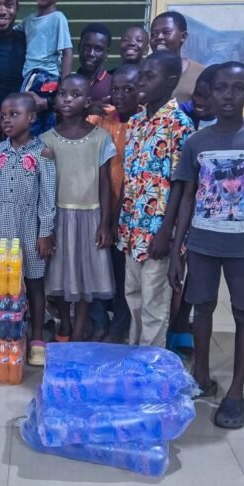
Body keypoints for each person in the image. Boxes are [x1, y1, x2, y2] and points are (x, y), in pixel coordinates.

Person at [169, 61, 244, 429]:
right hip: (203, 244)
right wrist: (176, 251)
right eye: (220, 88)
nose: (228, 96)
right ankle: (201, 376)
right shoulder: (197, 141)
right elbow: (187, 197)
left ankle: (236, 392)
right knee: (202, 308)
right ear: (209, 93)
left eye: (238, 88)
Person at [117, 51, 194, 347]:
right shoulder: (136, 121)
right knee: (133, 295)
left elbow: (181, 185)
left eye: (150, 76)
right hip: (132, 227)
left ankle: (152, 362)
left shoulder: (180, 125)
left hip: (158, 231)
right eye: (140, 75)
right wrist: (120, 221)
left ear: (171, 81)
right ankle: (136, 354)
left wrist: (166, 233)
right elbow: (130, 176)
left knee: (154, 302)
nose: (141, 82)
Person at [0, 93, 56, 367]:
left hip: (30, 225)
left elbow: (47, 197)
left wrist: (45, 232)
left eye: (14, 114)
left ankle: (36, 336)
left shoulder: (42, 153)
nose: (7, 120)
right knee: (3, 281)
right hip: (1, 222)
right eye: (4, 115)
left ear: (32, 117)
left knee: (34, 281)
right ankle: (8, 330)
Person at [41, 74, 115, 344]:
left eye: (75, 94)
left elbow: (105, 183)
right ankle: (65, 323)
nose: (67, 99)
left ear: (87, 101)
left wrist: (105, 223)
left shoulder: (100, 138)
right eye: (62, 93)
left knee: (85, 277)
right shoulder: (46, 139)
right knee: (60, 274)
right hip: (58, 216)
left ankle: (80, 328)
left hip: (90, 216)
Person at [167, 63, 221, 357]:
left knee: (195, 272)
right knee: (174, 266)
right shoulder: (180, 116)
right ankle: (170, 324)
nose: (199, 101)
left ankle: (180, 323)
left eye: (207, 96)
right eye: (197, 94)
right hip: (178, 202)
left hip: (208, 208)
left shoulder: (223, 125)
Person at [87, 63, 140, 343]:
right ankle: (98, 322)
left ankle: (119, 324)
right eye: (115, 89)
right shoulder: (100, 118)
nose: (119, 96)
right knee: (96, 267)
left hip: (130, 211)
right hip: (97, 206)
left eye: (128, 89)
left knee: (123, 273)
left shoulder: (144, 124)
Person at [19, 0, 74, 133]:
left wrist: (63, 90)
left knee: (24, 118)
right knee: (42, 121)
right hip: (33, 75)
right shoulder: (28, 21)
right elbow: (8, 33)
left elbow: (67, 53)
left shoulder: (58, 18)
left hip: (42, 75)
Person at [150, 12, 205, 103]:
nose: (158, 37)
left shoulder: (201, 74)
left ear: (183, 37)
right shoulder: (141, 74)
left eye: (166, 32)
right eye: (153, 34)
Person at [77, 23, 112, 103]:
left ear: (106, 53)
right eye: (86, 47)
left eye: (98, 49)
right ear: (79, 48)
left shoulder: (112, 84)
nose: (91, 54)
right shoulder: (69, 83)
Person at [180, 64, 221, 130]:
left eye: (206, 97)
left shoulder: (230, 123)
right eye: (197, 94)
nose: (199, 102)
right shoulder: (178, 113)